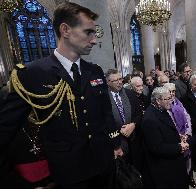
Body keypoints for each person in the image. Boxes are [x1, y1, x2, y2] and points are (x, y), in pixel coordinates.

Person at [0, 2, 122, 189]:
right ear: (65, 30)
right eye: (88, 32)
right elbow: (5, 130)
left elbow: (106, 115)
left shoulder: (94, 71)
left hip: (105, 168)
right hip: (69, 176)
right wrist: (15, 183)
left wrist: (115, 144)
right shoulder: (32, 74)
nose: (94, 40)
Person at [142, 87, 189, 189]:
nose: (171, 101)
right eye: (167, 99)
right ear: (158, 101)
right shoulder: (150, 119)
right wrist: (180, 147)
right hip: (165, 170)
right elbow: (156, 147)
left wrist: (178, 136)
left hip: (172, 164)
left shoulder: (161, 110)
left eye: (171, 98)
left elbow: (165, 132)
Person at [106, 69, 140, 169]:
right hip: (116, 143)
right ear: (108, 82)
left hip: (133, 140)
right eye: (115, 80)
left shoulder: (130, 94)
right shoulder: (104, 98)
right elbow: (104, 122)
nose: (120, 82)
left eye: (120, 79)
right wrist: (120, 130)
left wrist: (133, 124)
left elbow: (139, 115)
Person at [164, 83, 194, 188]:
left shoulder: (178, 102)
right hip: (174, 141)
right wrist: (179, 136)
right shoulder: (164, 105)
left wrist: (187, 133)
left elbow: (187, 118)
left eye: (173, 91)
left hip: (184, 138)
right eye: (169, 91)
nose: (172, 94)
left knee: (187, 165)